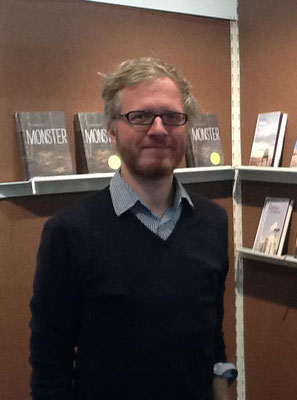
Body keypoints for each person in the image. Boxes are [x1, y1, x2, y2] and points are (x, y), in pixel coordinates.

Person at [29, 57, 236, 400]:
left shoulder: (213, 221)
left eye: (172, 116)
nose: (158, 129)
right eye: (140, 116)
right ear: (112, 130)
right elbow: (51, 364)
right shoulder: (68, 232)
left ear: (186, 127)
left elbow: (212, 337)